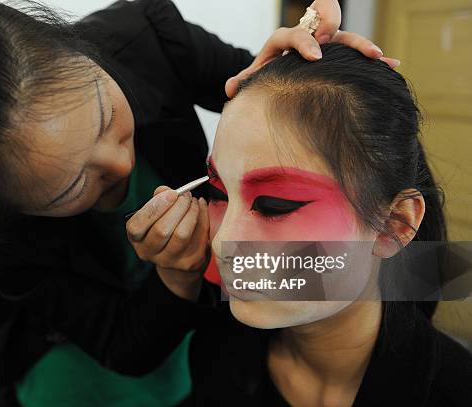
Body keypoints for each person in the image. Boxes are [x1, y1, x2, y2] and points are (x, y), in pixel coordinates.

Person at [0, 0, 393, 405]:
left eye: (102, 113)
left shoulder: (145, 33)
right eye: (70, 189)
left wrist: (293, 70)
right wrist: (177, 277)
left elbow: (252, 87)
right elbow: (124, 347)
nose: (119, 167)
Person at [184, 43, 472, 406]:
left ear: (394, 224)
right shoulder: (218, 352)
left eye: (275, 205)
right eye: (219, 192)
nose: (224, 241)